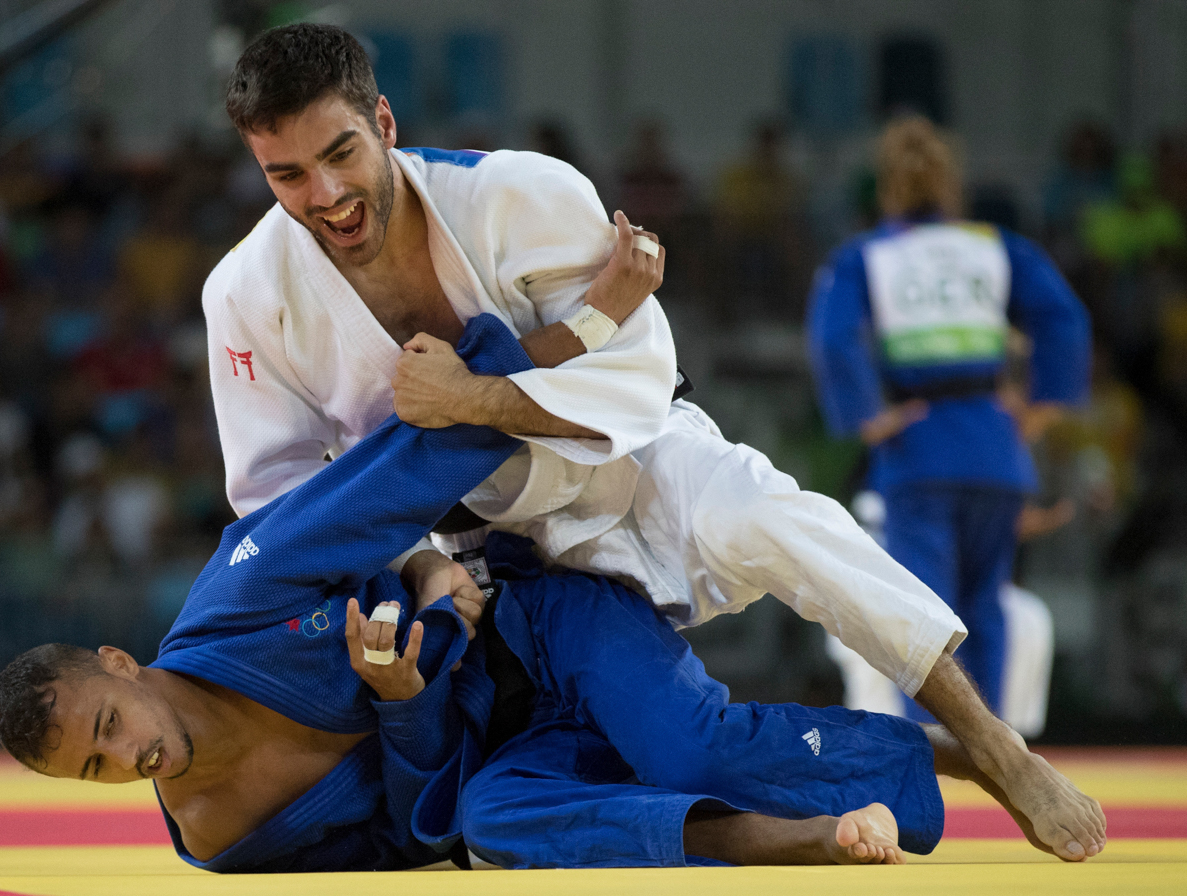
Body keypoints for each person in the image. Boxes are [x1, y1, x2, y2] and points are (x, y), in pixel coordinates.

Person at [205, 25, 1104, 861]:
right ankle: (822, 808)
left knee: (779, 521)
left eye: (340, 154)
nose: (325, 197)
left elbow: (636, 382)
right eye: (287, 176)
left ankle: (996, 745)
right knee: (585, 779)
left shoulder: (519, 195)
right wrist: (417, 568)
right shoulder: (248, 294)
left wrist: (472, 395)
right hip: (493, 557)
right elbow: (283, 502)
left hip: (636, 464)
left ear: (384, 122)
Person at [0, 316, 1065, 871]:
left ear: (118, 664)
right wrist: (405, 701)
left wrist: (509, 368)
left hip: (540, 625)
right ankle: (800, 837)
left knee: (685, 744)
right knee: (496, 824)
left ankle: (947, 749)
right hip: (501, 751)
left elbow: (377, 487)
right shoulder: (218, 833)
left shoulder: (240, 592)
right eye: (95, 767)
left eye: (109, 724)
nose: (129, 758)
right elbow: (411, 838)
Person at [806, 117, 1092, 725]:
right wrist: (1039, 409)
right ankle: (995, 757)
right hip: (995, 447)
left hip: (919, 446)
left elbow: (833, 338)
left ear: (887, 188)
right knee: (986, 608)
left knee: (924, 617)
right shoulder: (994, 247)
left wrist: (868, 417)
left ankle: (934, 751)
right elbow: (1064, 318)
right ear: (951, 186)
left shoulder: (869, 256)